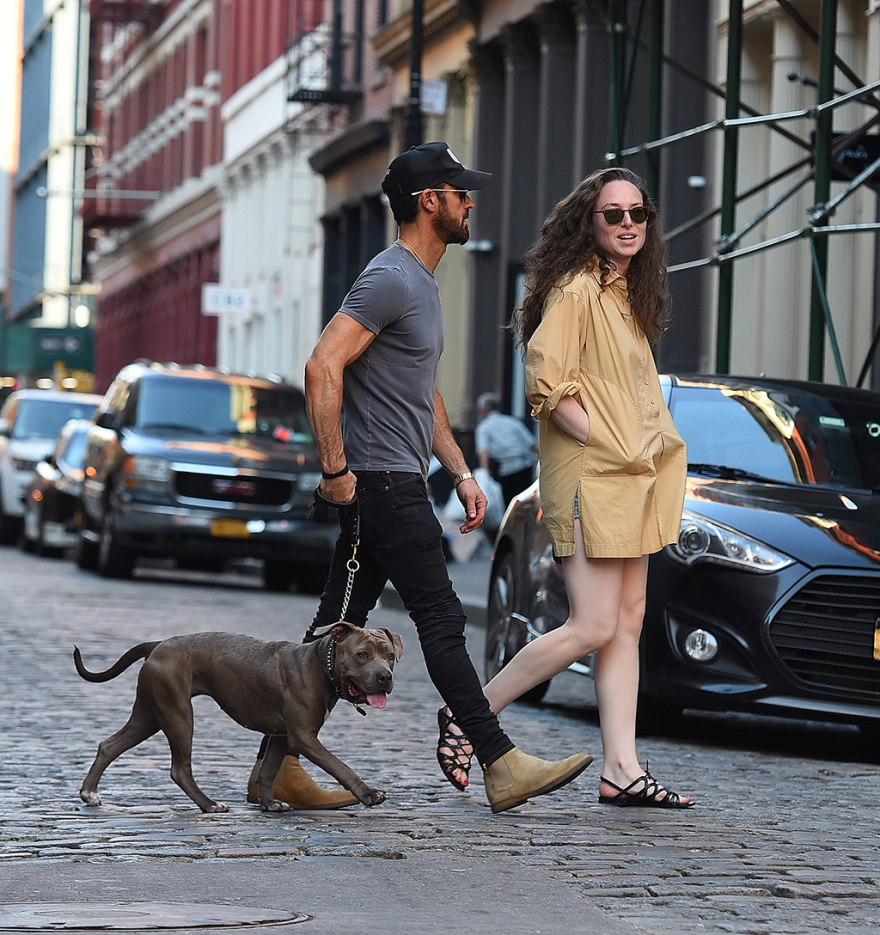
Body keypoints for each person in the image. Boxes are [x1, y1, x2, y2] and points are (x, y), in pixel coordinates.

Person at [247, 141, 591, 815]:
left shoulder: (421, 283)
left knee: (334, 629)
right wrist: (337, 472)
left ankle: (281, 766)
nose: (470, 201)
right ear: (429, 201)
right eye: (460, 192)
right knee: (438, 617)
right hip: (379, 485)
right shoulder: (392, 277)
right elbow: (323, 367)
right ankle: (499, 761)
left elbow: (420, 393)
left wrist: (459, 467)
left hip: (394, 479)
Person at [439, 167, 693, 808]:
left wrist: (639, 452)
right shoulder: (578, 288)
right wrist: (611, 443)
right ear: (590, 221)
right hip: (593, 479)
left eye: (639, 213)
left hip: (634, 481)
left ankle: (622, 769)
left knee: (627, 624)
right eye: (614, 214)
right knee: (592, 624)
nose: (629, 224)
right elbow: (548, 387)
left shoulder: (626, 295)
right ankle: (472, 713)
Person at [474, 392, 538, 505]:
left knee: (509, 502)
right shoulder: (513, 421)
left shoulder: (483, 427)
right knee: (525, 501)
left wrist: (485, 470)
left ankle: (511, 522)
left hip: (505, 470)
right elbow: (532, 444)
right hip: (524, 466)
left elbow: (483, 451)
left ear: (484, 410)